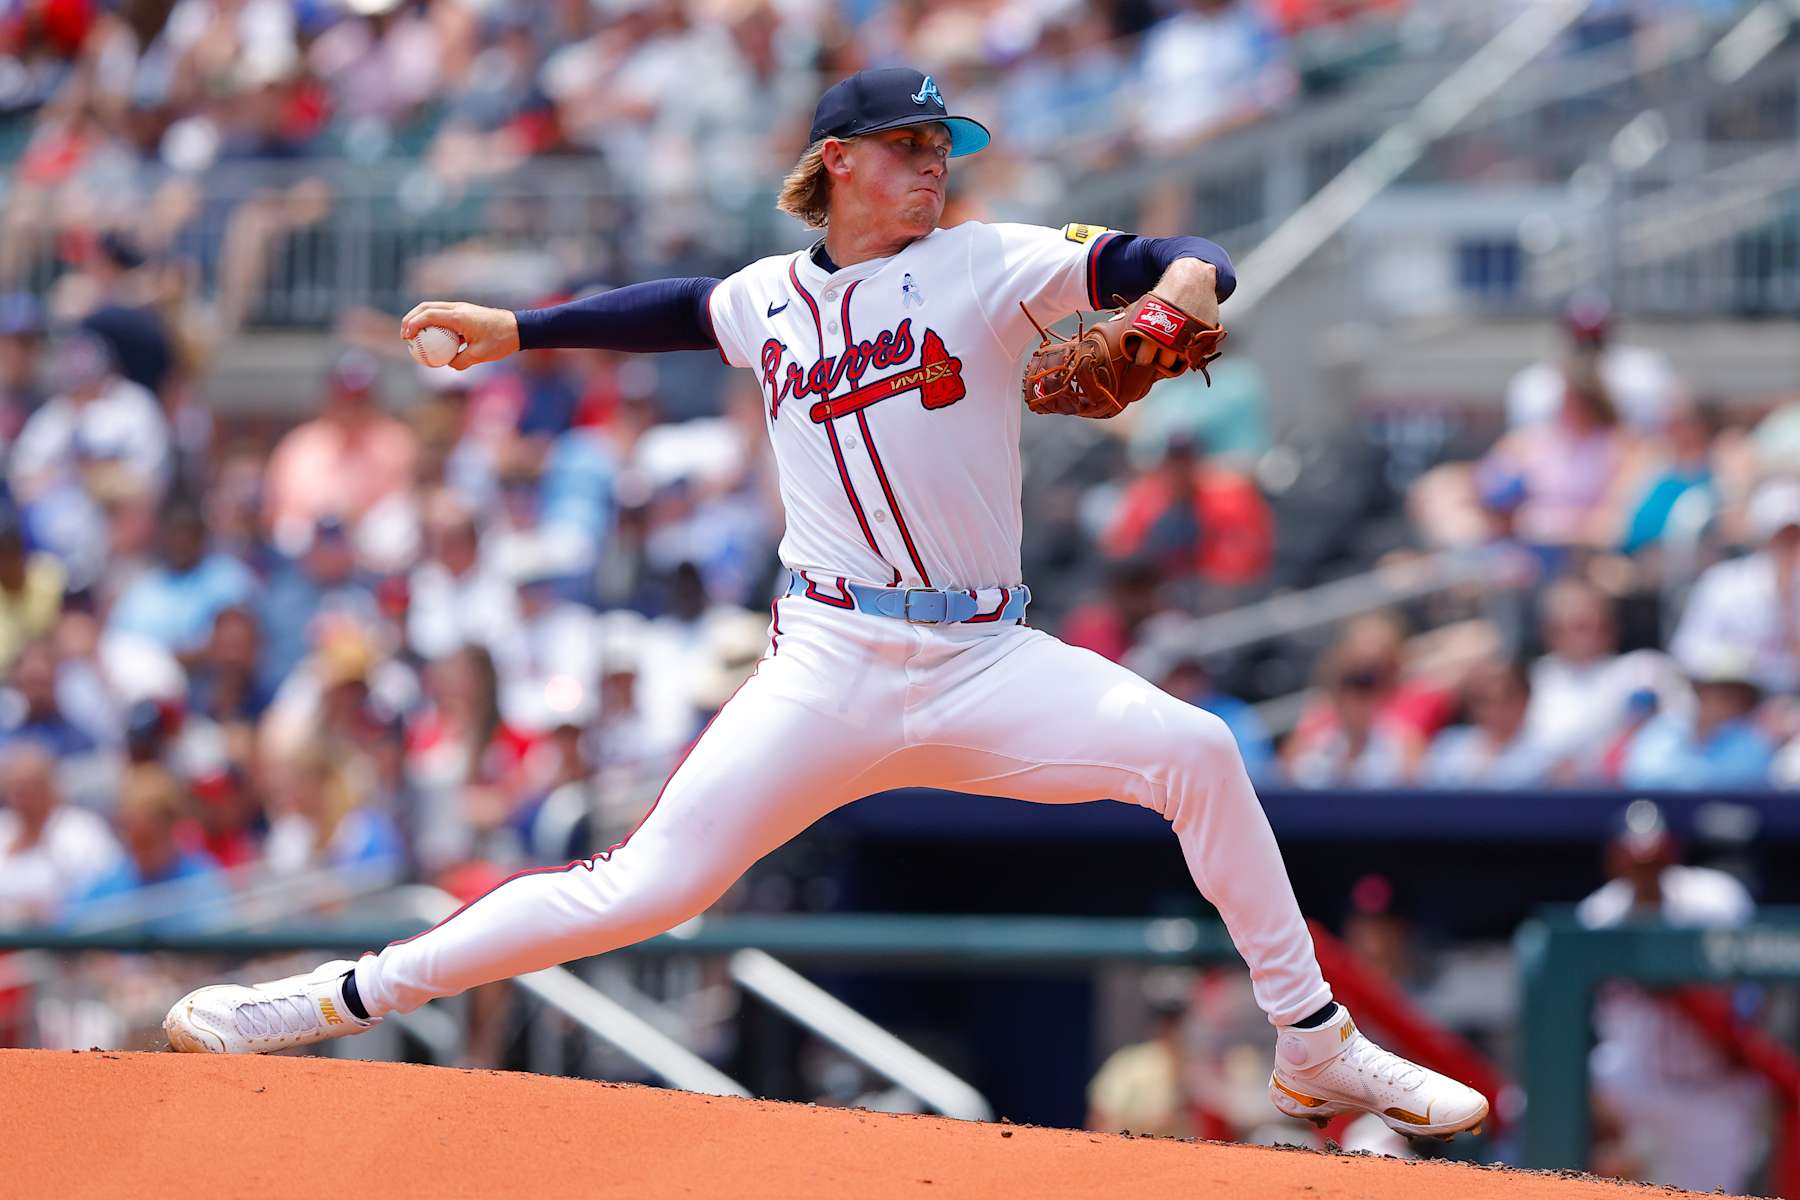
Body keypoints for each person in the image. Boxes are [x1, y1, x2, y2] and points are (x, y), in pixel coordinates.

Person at [165, 66, 1487, 1142]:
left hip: (982, 654)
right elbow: (679, 309)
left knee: (1199, 752)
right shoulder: (770, 297)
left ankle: (1315, 1048)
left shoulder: (984, 262)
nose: (935, 166)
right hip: (831, 658)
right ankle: (326, 996)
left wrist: (1185, 288)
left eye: (944, 148)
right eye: (910, 146)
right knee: (642, 888)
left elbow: (1172, 252)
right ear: (839, 161)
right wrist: (521, 330)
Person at [1578, 800, 1765, 1194]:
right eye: (1635, 861)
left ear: (1672, 855)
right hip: (1635, 1082)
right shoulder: (1597, 917)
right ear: (1616, 861)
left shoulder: (1716, 901)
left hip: (1710, 1086)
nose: (1645, 871)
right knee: (1531, 1106)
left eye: (1654, 860)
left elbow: (1754, 992)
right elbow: (1575, 1027)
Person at [1669, 477, 1800, 695]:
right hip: (1730, 702)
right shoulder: (1723, 583)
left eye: (1794, 535)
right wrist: (1743, 664)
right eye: (1781, 536)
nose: (1789, 544)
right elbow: (1687, 651)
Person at [1417, 659, 1554, 789]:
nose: (1496, 709)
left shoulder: (1549, 753)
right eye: (1483, 701)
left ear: (1526, 698)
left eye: (1506, 698)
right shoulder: (1449, 745)